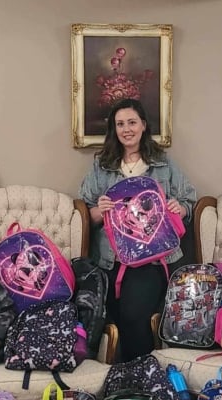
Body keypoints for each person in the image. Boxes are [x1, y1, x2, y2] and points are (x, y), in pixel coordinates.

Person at [79, 98, 196, 362]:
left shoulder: (163, 164)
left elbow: (189, 200)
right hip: (111, 259)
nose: (126, 129)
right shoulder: (102, 166)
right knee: (111, 320)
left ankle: (140, 375)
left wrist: (180, 207)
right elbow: (86, 215)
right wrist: (101, 210)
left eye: (132, 122)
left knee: (134, 316)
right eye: (120, 124)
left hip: (152, 259)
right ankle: (117, 378)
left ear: (143, 125)